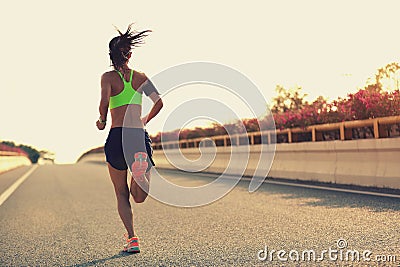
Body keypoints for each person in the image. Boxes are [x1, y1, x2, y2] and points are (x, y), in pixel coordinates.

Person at [96, 24, 163, 253]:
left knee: (121, 193)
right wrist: (144, 119)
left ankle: (133, 239)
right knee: (139, 196)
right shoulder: (141, 77)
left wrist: (102, 120)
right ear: (130, 54)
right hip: (136, 135)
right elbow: (159, 102)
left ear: (110, 55)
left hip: (116, 136)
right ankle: (139, 170)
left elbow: (104, 101)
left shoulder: (107, 77)